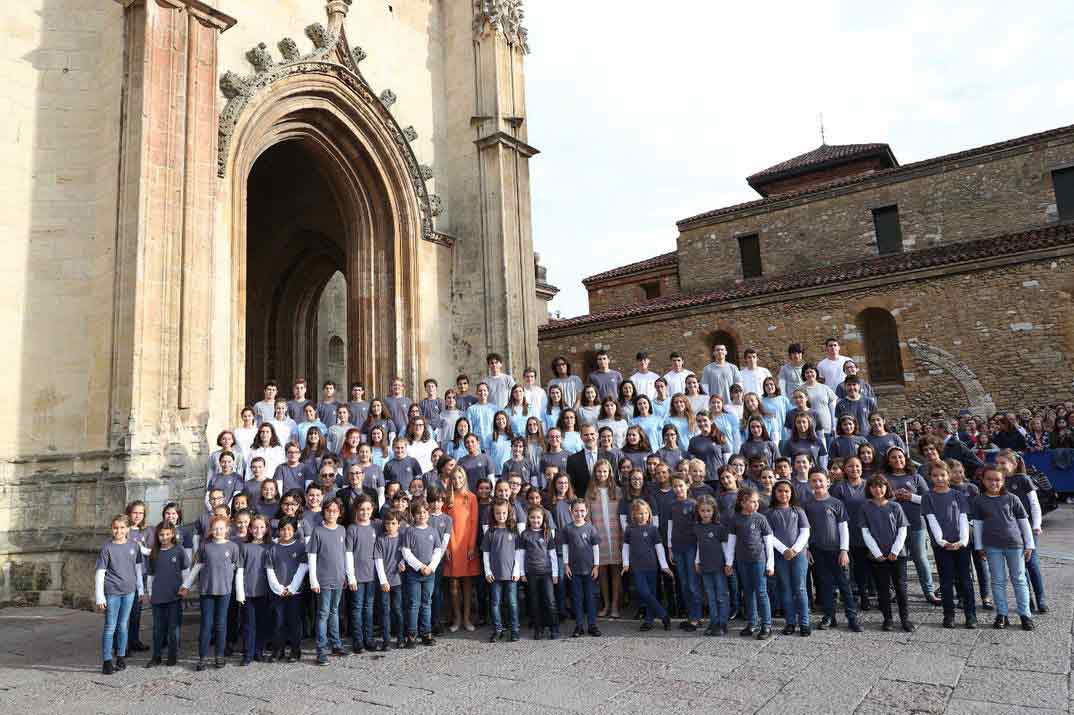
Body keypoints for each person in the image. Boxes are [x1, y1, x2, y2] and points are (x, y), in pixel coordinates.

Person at [972, 465, 1035, 631]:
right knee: (998, 580)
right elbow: (977, 525)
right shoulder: (979, 500)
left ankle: (1025, 615)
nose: (994, 483)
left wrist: (1029, 544)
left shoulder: (1012, 498)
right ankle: (1002, 614)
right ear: (983, 480)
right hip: (992, 547)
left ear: (1003, 480)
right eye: (989, 479)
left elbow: (1023, 522)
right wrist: (979, 547)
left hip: (1014, 545)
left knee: (1019, 579)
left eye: (997, 479)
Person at [803, 471, 863, 632]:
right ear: (809, 483)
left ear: (828, 482)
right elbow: (805, 529)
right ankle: (829, 616)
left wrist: (844, 550)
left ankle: (852, 618)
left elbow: (843, 529)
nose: (817, 484)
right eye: (814, 481)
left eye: (820, 480)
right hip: (817, 550)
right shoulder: (807, 505)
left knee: (844, 585)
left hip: (836, 551)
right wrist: (807, 548)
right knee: (825, 585)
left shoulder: (836, 503)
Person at [180, 514, 240, 671]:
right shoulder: (205, 546)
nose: (218, 531)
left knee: (221, 624)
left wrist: (239, 592)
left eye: (221, 528)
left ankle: (219, 655)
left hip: (224, 591)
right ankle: (202, 657)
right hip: (206, 591)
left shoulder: (233, 547)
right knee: (206, 624)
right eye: (215, 528)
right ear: (211, 529)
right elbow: (197, 567)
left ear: (227, 529)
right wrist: (186, 585)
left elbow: (236, 569)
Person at [923, 462, 977, 629]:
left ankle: (970, 615)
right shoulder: (928, 496)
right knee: (946, 581)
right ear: (931, 477)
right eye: (935, 475)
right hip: (942, 546)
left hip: (961, 544)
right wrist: (943, 542)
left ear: (948, 475)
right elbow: (931, 521)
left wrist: (961, 541)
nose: (939, 478)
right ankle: (949, 614)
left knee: (965, 580)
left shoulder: (957, 494)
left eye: (942, 475)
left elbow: (963, 519)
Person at [885, 445, 941, 605]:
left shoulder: (916, 477)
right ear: (888, 461)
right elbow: (879, 500)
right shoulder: (884, 478)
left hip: (916, 522)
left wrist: (911, 497)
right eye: (894, 457)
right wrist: (894, 497)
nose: (898, 460)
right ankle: (897, 591)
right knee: (895, 558)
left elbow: (928, 500)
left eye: (900, 457)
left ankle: (929, 591)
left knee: (920, 558)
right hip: (893, 525)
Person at [860, 475, 915, 632]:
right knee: (882, 588)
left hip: (897, 555)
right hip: (877, 556)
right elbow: (866, 532)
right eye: (874, 486)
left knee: (901, 587)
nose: (878, 489)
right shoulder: (865, 508)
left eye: (881, 486)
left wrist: (895, 551)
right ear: (869, 489)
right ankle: (888, 619)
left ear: (887, 488)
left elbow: (902, 529)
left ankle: (905, 619)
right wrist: (877, 553)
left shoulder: (895, 507)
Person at [995, 450, 1046, 613]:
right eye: (998, 463)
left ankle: (1041, 599)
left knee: (1032, 563)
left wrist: (1036, 525)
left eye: (1003, 463)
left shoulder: (1024, 479)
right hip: (1011, 530)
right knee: (1019, 567)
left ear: (1014, 464)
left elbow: (1034, 504)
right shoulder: (999, 481)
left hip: (1027, 527)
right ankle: (1028, 600)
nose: (1000, 466)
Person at [95, 515, 144, 675]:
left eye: (122, 528)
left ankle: (121, 657)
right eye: (116, 528)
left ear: (128, 529)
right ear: (112, 529)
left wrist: (141, 589)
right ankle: (107, 660)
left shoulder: (133, 546)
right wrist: (99, 596)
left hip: (129, 591)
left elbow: (137, 568)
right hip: (112, 592)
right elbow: (100, 572)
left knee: (123, 625)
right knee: (110, 626)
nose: (119, 531)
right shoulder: (107, 548)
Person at [724, 488, 775, 639]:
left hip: (758, 561)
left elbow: (768, 542)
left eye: (756, 501)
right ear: (742, 502)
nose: (756, 504)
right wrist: (729, 562)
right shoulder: (736, 519)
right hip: (742, 561)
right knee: (748, 592)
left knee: (761, 592)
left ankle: (766, 624)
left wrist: (770, 564)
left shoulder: (760, 519)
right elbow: (731, 542)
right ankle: (752, 623)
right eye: (752, 502)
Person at [306, 499, 348, 665]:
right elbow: (312, 557)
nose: (332, 513)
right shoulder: (318, 531)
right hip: (323, 579)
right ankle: (321, 650)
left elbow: (343, 555)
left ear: (339, 513)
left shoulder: (342, 530)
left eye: (335, 511)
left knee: (334, 611)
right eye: (329, 510)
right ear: (324, 512)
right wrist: (313, 580)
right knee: (323, 613)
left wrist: (345, 575)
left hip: (338, 579)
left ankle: (336, 644)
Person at [766, 480, 811, 636]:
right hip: (780, 556)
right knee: (785, 588)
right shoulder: (770, 513)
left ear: (791, 493)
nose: (783, 494)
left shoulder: (798, 510)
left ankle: (804, 622)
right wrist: (784, 550)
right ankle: (790, 622)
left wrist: (795, 549)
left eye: (787, 491)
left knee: (800, 587)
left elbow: (805, 532)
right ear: (775, 493)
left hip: (799, 555)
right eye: (780, 491)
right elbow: (768, 535)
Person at [143, 522, 188, 668]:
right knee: (157, 628)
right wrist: (149, 592)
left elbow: (185, 570)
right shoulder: (154, 552)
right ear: (157, 535)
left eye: (168, 534)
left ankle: (172, 655)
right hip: (157, 596)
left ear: (173, 534)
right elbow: (150, 575)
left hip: (174, 595)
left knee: (173, 628)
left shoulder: (179, 550)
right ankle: (156, 656)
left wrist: (185, 587)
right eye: (161, 534)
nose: (164, 537)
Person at [401, 498, 443, 647]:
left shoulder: (433, 531)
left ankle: (426, 633)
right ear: (413, 515)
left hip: (430, 574)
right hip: (414, 574)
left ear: (429, 513)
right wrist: (420, 567)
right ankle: (411, 635)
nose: (421, 515)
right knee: (414, 603)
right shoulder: (409, 531)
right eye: (418, 513)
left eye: (424, 512)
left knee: (427, 603)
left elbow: (438, 550)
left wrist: (431, 567)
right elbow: (406, 552)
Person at [443, 467, 480, 631]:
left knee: (467, 582)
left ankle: (467, 619)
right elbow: (445, 525)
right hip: (452, 543)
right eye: (454, 478)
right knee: (453, 584)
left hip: (467, 545)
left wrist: (471, 546)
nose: (457, 481)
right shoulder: (447, 498)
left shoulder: (471, 497)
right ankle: (456, 619)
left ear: (464, 478)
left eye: (460, 477)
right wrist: (447, 547)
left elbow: (473, 523)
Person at [267, 516, 307, 661]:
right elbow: (269, 570)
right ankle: (279, 650)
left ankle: (295, 650)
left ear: (295, 530)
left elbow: (303, 568)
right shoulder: (273, 548)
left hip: (294, 592)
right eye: (283, 529)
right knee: (278, 622)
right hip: (277, 592)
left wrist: (292, 587)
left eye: (289, 529)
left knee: (294, 621)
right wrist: (279, 588)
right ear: (279, 531)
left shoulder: (300, 547)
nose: (286, 532)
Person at [586, 459, 623, 618]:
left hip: (615, 535)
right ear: (595, 473)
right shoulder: (590, 492)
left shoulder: (618, 491)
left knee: (615, 570)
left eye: (605, 471)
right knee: (601, 571)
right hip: (598, 536)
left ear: (609, 473)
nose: (602, 474)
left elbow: (623, 515)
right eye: (599, 471)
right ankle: (606, 604)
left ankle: (615, 605)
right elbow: (586, 518)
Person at [519, 505, 560, 639]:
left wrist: (555, 573)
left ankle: (554, 627)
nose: (535, 520)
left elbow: (553, 555)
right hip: (531, 573)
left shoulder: (547, 534)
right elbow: (521, 555)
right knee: (534, 601)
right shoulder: (525, 534)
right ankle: (539, 628)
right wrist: (521, 573)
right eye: (532, 517)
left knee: (550, 600)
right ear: (528, 519)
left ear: (543, 519)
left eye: (538, 517)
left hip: (547, 573)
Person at [235, 515, 272, 665]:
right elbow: (239, 570)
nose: (258, 530)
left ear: (266, 529)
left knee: (262, 623)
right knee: (249, 624)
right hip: (248, 592)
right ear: (250, 529)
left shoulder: (270, 547)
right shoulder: (245, 547)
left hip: (265, 591)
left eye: (262, 527)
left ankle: (259, 651)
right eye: (255, 527)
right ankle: (248, 654)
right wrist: (240, 592)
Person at [561, 498, 601, 637]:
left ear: (587, 511)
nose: (579, 513)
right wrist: (566, 565)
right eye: (576, 511)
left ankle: (592, 624)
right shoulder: (567, 529)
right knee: (577, 598)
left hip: (589, 570)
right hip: (574, 570)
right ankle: (579, 625)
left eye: (582, 510)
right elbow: (565, 547)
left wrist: (596, 566)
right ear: (571, 512)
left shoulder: (590, 528)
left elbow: (596, 548)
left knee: (590, 597)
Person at [373, 511, 405, 650]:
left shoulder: (403, 538)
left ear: (399, 524)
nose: (390, 526)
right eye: (387, 523)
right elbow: (378, 561)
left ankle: (400, 637)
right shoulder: (380, 540)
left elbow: (406, 554)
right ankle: (386, 639)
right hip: (385, 582)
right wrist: (383, 581)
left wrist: (403, 562)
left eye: (393, 523)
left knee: (398, 609)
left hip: (397, 580)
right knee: (385, 610)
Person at [566, 423, 600, 497]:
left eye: (592, 434)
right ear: (581, 437)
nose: (589, 437)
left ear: (597, 435)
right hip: (582, 501)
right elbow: (571, 484)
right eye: (586, 435)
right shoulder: (572, 459)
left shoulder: (609, 456)